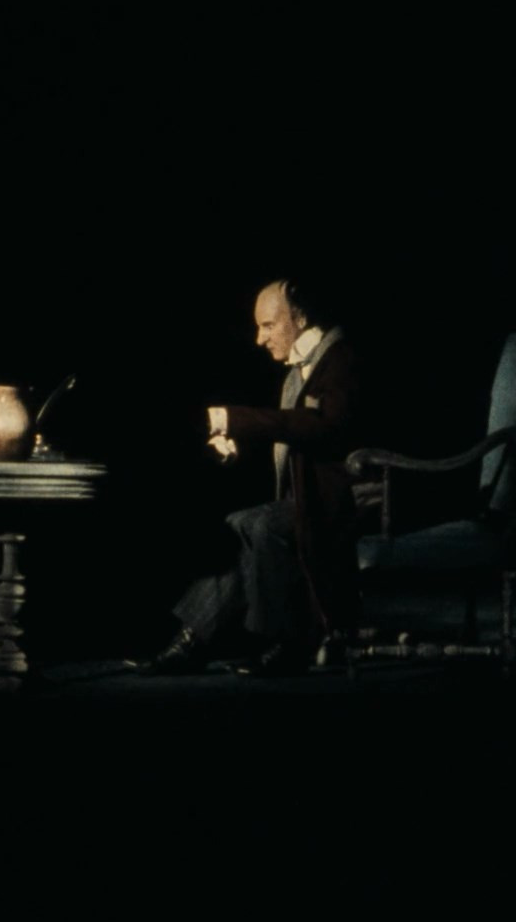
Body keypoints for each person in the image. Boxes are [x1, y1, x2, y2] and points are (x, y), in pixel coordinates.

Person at [128, 277, 362, 677]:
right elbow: (291, 432)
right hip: (310, 499)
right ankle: (189, 643)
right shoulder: (300, 370)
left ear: (300, 318)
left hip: (347, 501)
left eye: (268, 325)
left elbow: (325, 427)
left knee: (255, 524)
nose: (260, 338)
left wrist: (231, 419)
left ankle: (286, 642)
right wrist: (239, 443)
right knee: (243, 528)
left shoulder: (341, 359)